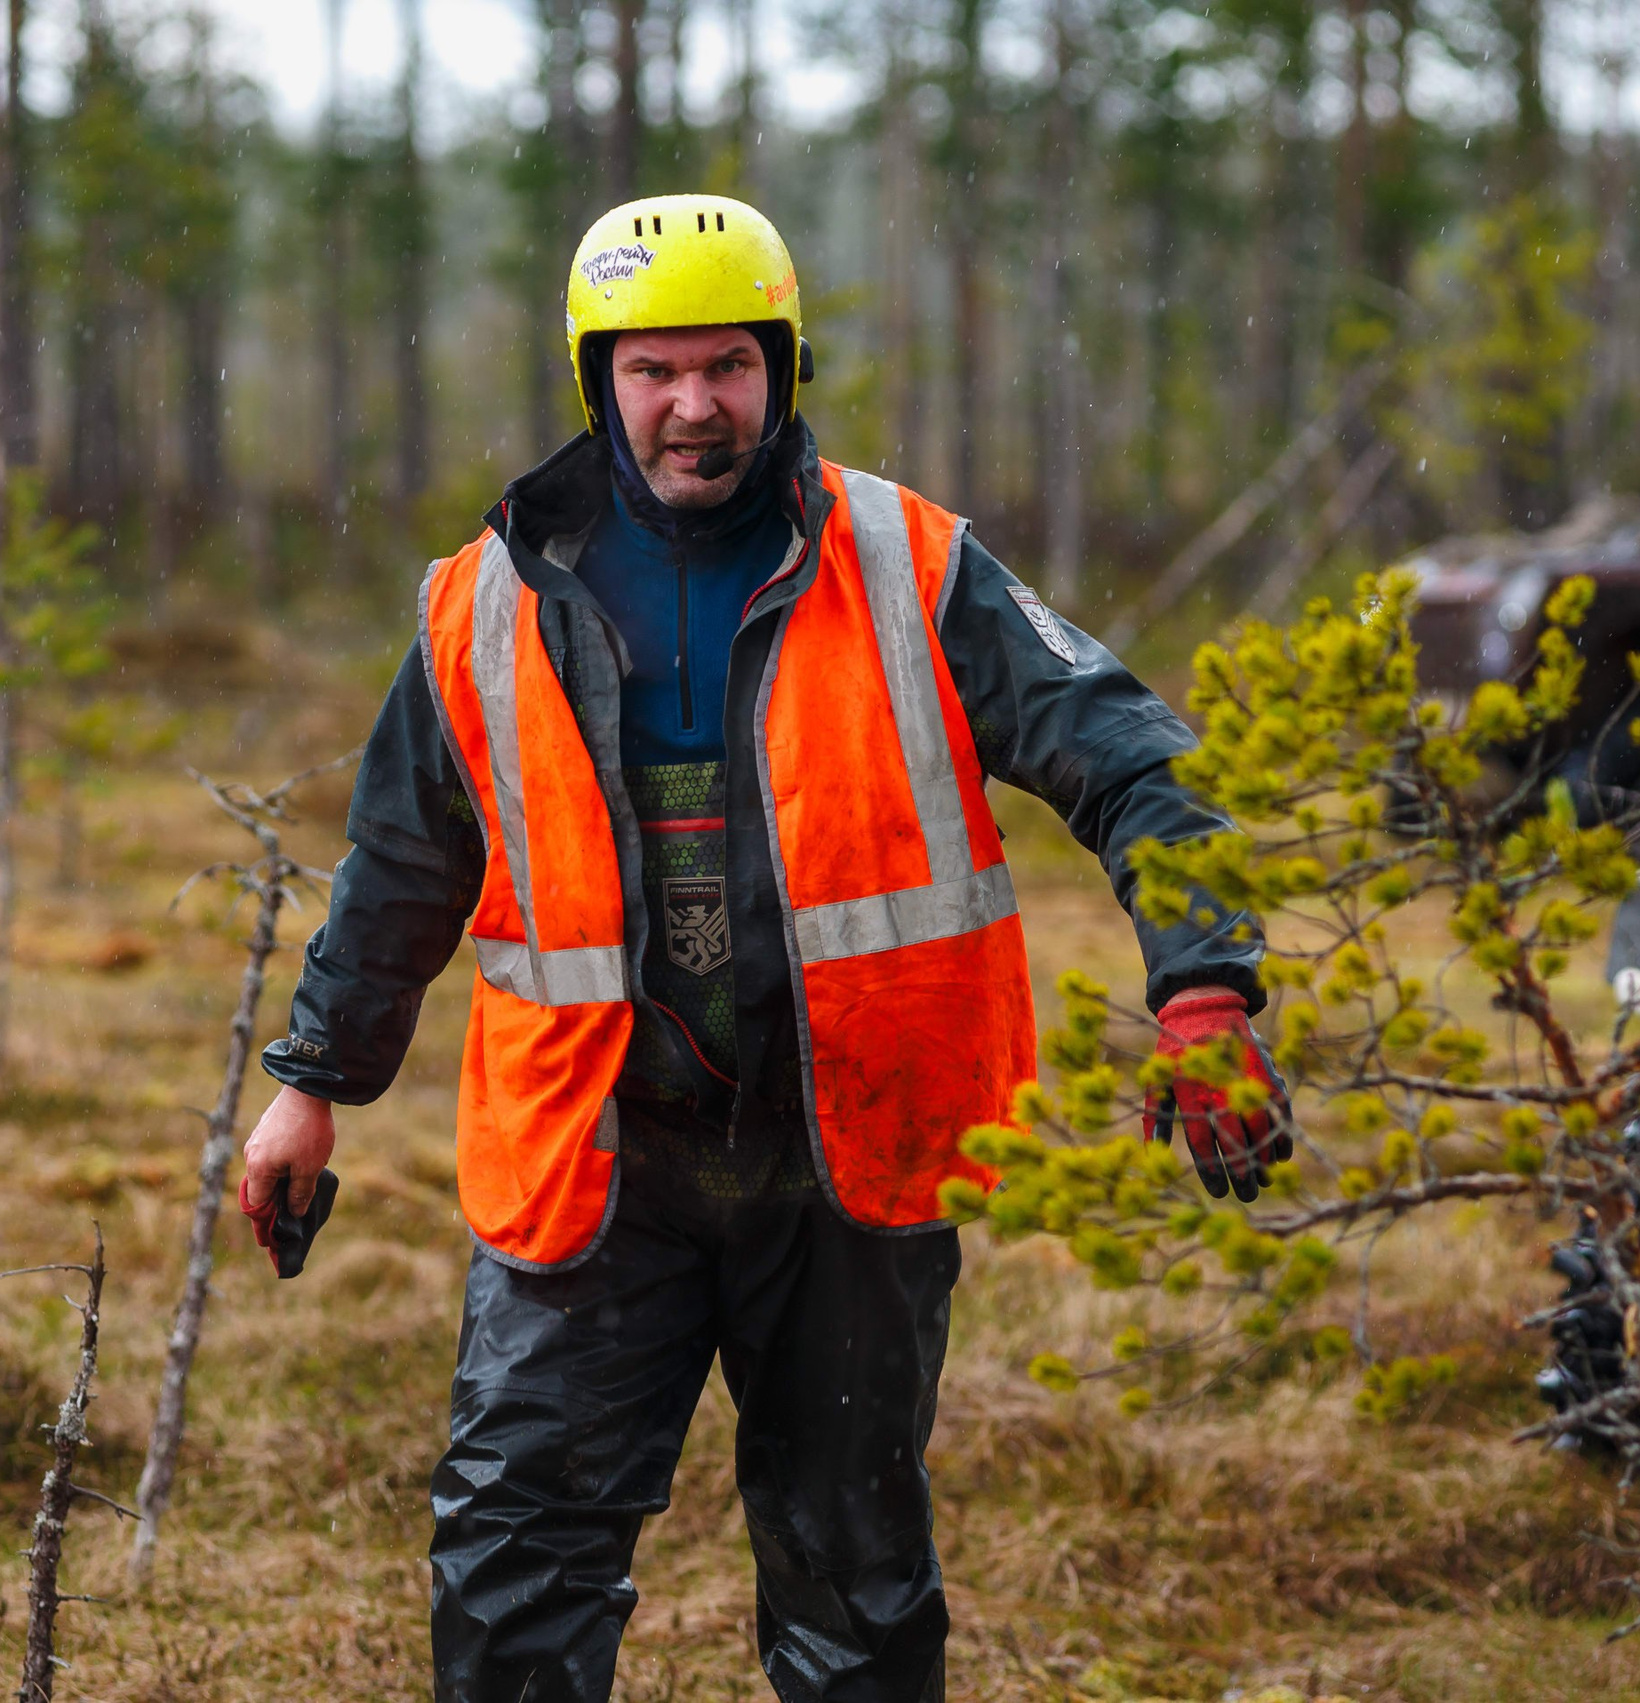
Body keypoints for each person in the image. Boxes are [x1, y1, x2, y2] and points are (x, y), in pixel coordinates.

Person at [237, 194, 1285, 1703]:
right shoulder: (480, 601)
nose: (692, 406)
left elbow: (1132, 761)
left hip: (845, 1155)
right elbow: (405, 859)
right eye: (652, 370)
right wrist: (312, 1078)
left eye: (726, 365)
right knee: (515, 1552)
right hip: (600, 1157)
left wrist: (1203, 985)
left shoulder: (913, 564)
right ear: (595, 376)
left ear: (782, 367)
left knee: (850, 1574)